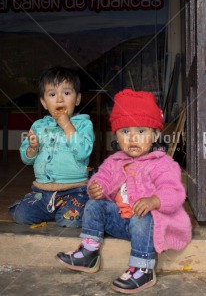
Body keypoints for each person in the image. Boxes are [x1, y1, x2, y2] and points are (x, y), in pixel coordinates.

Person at [55, 89, 192, 293]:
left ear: (155, 135)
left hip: (150, 226)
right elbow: (102, 177)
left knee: (142, 217)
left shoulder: (163, 164)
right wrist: (97, 187)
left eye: (141, 132)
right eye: (125, 132)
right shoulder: (115, 161)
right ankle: (89, 252)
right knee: (94, 204)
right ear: (116, 135)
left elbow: (174, 192)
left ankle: (143, 268)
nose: (133, 138)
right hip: (121, 222)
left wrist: (155, 201)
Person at [8, 66, 95, 228]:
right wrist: (32, 148)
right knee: (21, 214)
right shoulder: (39, 125)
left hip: (74, 191)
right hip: (42, 193)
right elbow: (27, 159)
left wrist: (67, 125)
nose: (60, 99)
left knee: (70, 220)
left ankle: (80, 207)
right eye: (52, 94)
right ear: (44, 102)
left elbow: (82, 153)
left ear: (77, 99)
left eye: (67, 93)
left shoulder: (84, 124)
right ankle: (51, 209)